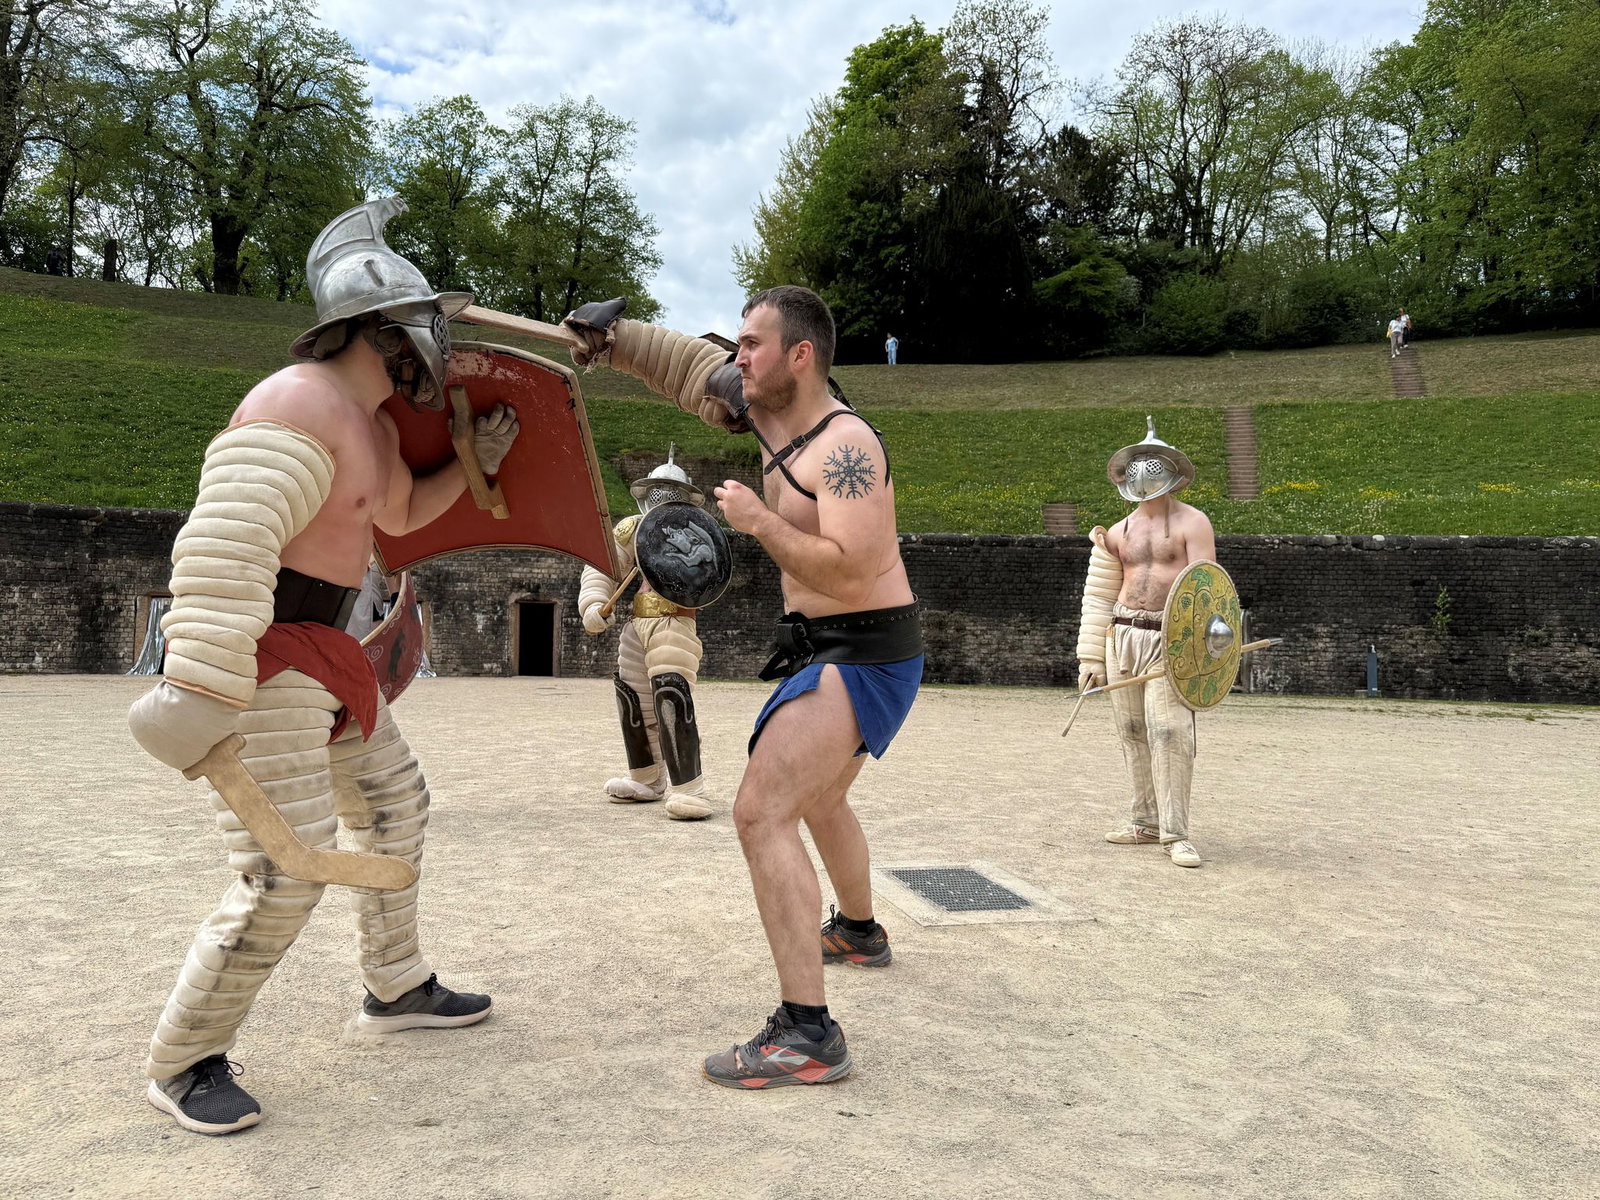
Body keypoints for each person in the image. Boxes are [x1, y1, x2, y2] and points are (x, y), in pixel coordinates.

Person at [126, 196, 518, 1135]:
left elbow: (399, 516)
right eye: (422, 328)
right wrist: (203, 686)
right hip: (264, 662)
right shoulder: (297, 399)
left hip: (331, 659)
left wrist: (473, 462)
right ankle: (184, 1061)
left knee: (394, 807)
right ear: (381, 331)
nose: (435, 349)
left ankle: (396, 986)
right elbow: (228, 542)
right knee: (282, 870)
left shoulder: (370, 422)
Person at [562, 284, 923, 1088]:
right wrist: (612, 341)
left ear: (801, 356)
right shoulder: (766, 412)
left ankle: (807, 1033)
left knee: (762, 811)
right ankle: (859, 931)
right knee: (820, 801)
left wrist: (759, 523)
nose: (739, 357)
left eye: (754, 344)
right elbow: (694, 370)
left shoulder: (844, 446)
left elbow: (855, 566)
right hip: (835, 647)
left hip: (864, 651)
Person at [1075, 417, 1215, 868]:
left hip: (1170, 639)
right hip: (1123, 637)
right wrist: (1091, 656)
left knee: (1170, 732)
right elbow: (1098, 595)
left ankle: (1176, 832)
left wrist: (1202, 650)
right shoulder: (1117, 532)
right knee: (1132, 731)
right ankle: (1144, 821)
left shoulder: (1194, 522)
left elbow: (1208, 591)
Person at [576, 446, 716, 820]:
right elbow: (603, 567)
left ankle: (690, 788)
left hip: (675, 620)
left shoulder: (699, 534)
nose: (663, 498)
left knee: (671, 694)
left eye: (670, 492)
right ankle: (647, 777)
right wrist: (593, 603)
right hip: (637, 622)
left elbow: (706, 575)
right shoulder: (632, 530)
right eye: (659, 491)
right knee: (631, 699)